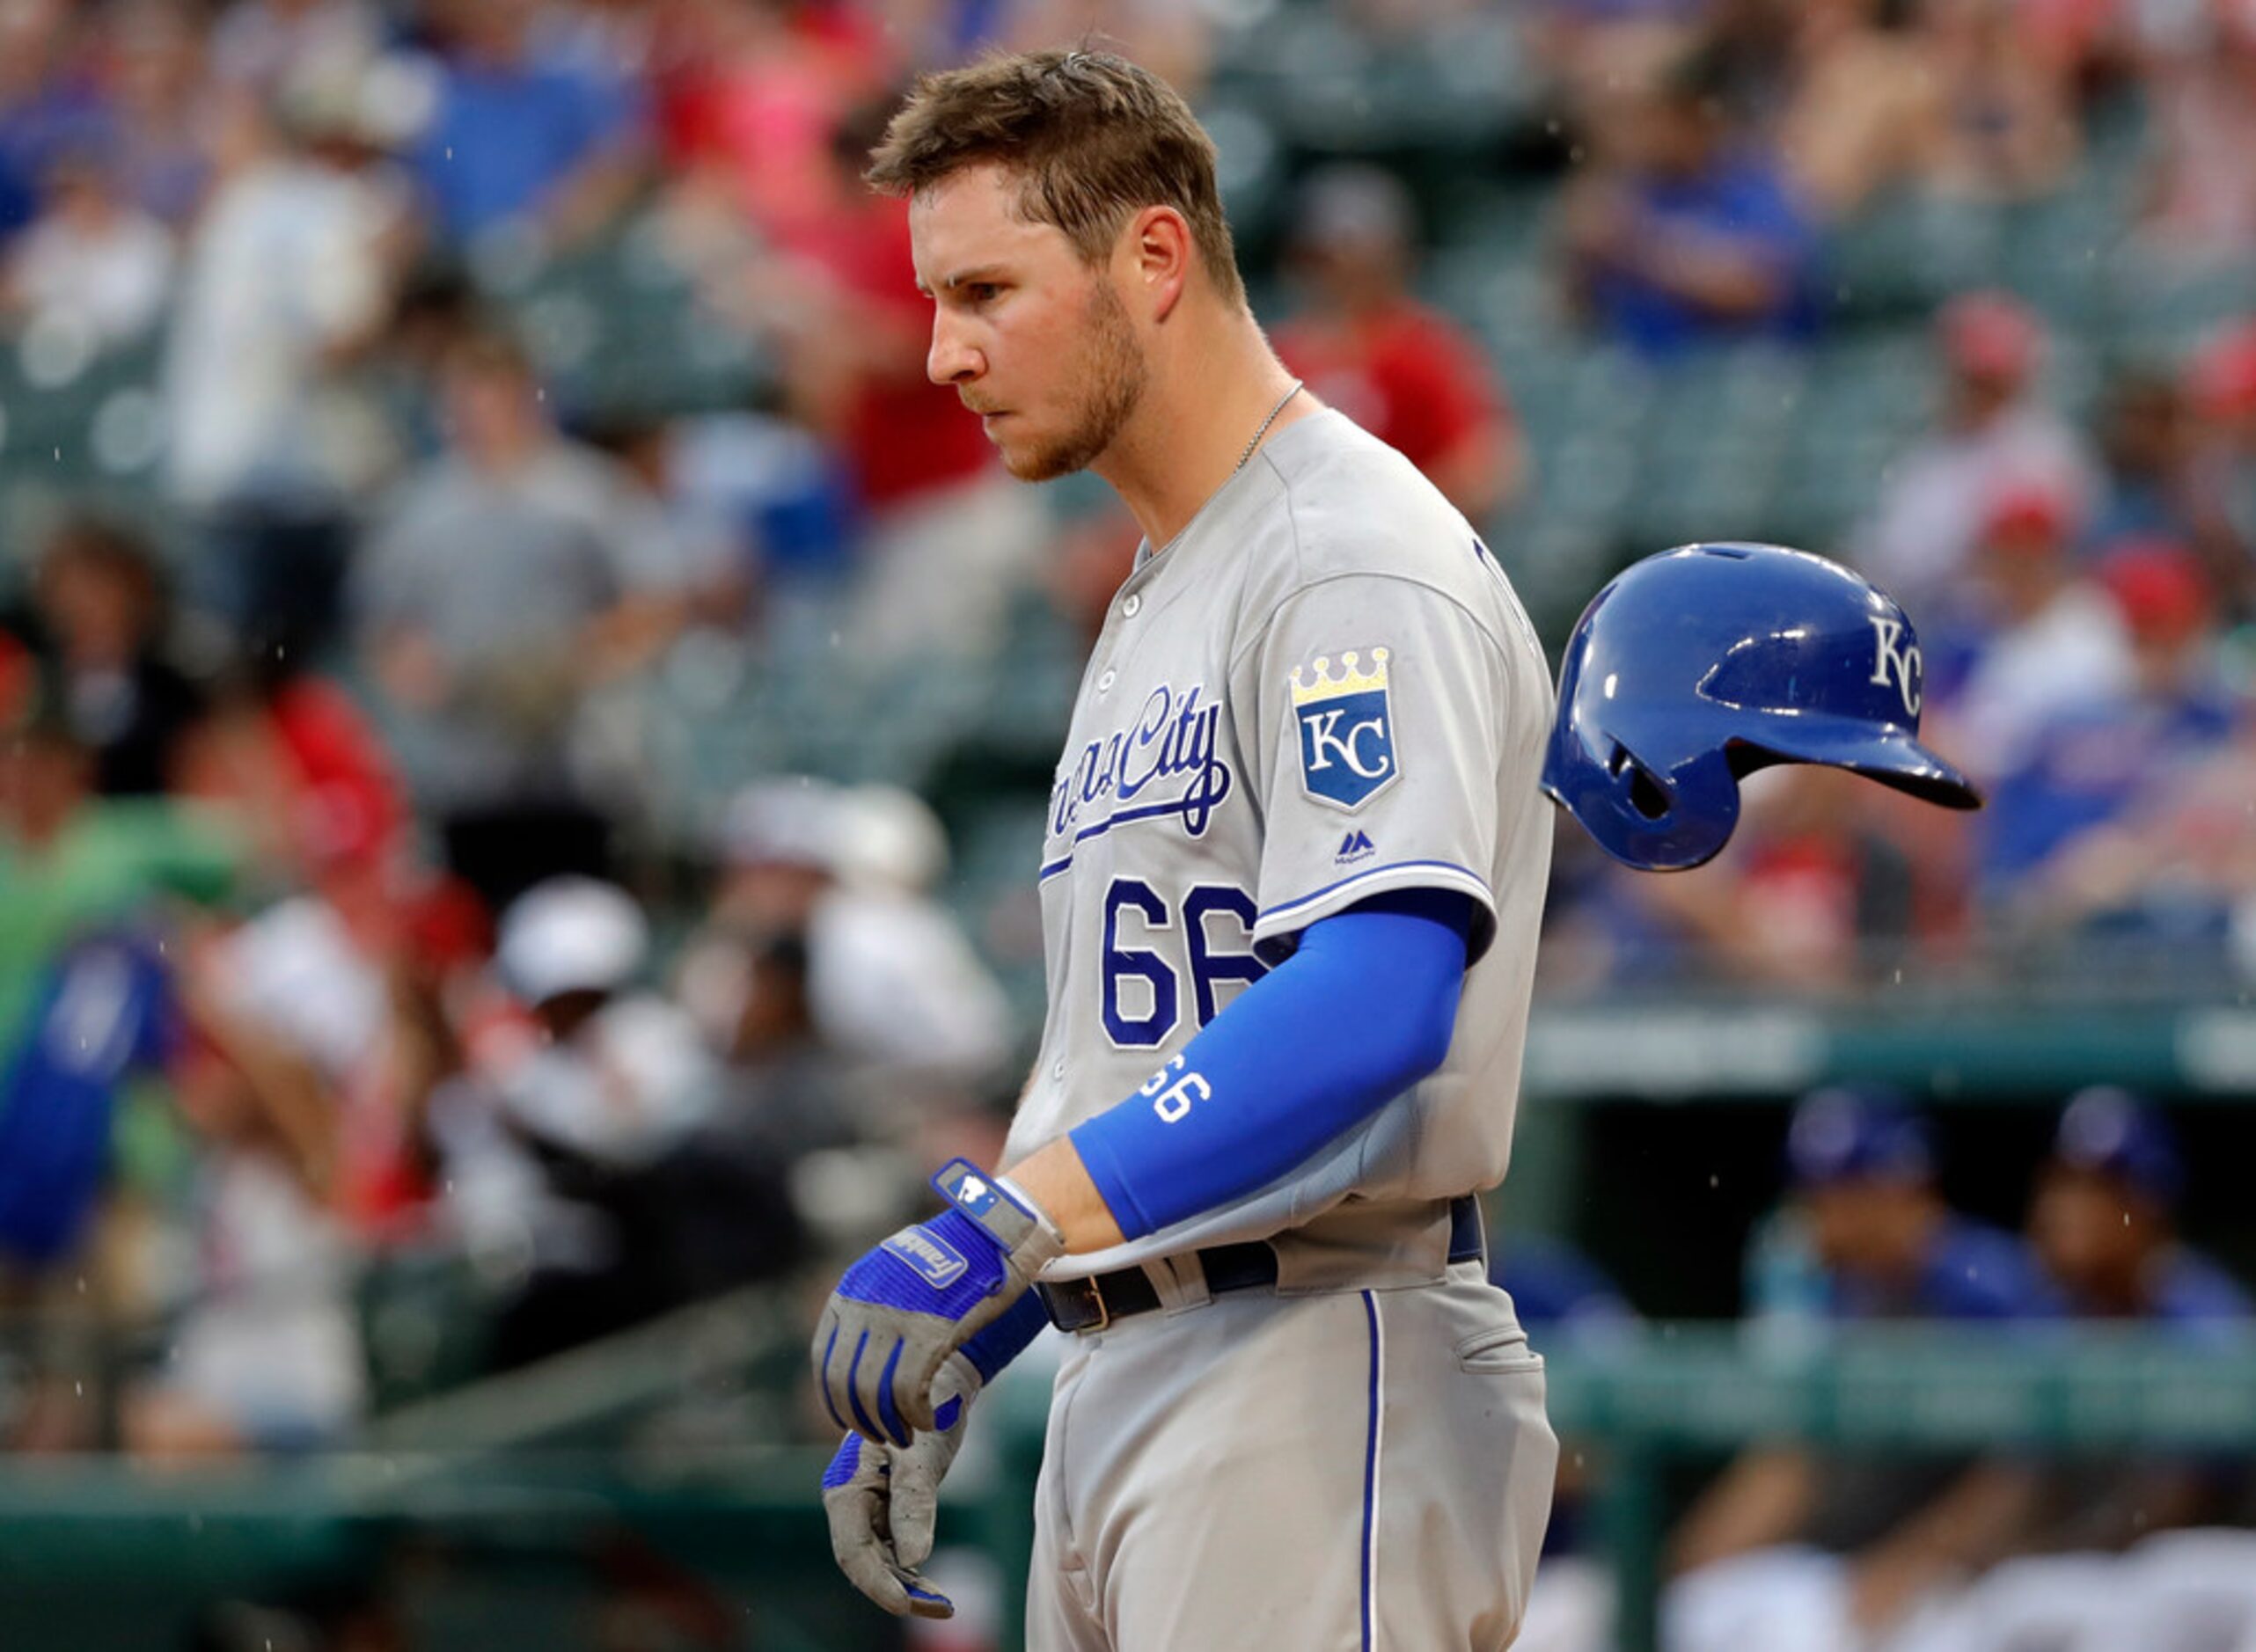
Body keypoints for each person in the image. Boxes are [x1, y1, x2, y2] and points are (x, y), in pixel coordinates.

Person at [809, 48, 1560, 1647]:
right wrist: (994, 1314)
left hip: (1310, 1353)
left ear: (1150, 258)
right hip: (1143, 1365)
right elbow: (1148, 1042)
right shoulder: (1167, 577)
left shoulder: (1342, 553)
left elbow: (1375, 991)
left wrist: (998, 1234)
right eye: (936, 299)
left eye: (987, 291)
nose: (942, 353)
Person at [1666, 1087, 2063, 1652]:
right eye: (1816, 1192)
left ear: (1903, 1188)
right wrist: (1675, 1571)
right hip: (1842, 1564)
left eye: (1846, 1191)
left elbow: (2028, 1468)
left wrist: (1916, 1561)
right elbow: (1790, 1460)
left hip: (1979, 1570)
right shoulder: (1830, 1292)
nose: (1823, 1214)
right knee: (1698, 1613)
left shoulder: (1989, 1287)